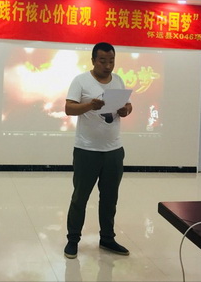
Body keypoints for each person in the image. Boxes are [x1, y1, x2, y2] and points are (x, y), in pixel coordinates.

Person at [63, 42, 132, 259]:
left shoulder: (118, 80)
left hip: (114, 150)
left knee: (110, 199)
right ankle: (73, 240)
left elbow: (128, 106)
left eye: (111, 61)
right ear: (93, 60)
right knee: (80, 198)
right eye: (102, 61)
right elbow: (68, 108)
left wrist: (126, 109)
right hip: (87, 150)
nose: (107, 65)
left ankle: (107, 239)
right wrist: (89, 106)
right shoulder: (81, 81)